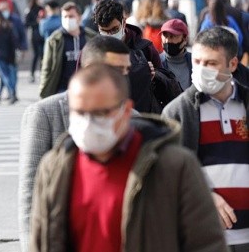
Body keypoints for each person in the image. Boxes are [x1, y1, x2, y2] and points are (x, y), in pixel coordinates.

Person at [30, 64, 227, 252]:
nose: (88, 122)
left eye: (101, 112)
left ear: (126, 111)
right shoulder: (54, 168)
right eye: (80, 112)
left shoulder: (175, 166)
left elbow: (206, 244)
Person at [17, 35, 132, 250]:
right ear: (89, 68)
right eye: (116, 70)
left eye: (126, 71)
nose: (123, 78)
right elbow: (30, 194)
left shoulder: (131, 117)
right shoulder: (44, 114)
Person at [163, 27, 249, 250]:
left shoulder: (245, 104)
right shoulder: (177, 113)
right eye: (198, 62)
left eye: (211, 64)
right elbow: (168, 177)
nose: (201, 70)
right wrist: (205, 195)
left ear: (232, 64)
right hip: (203, 241)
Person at [93, 0, 162, 113]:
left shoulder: (145, 49)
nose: (110, 35)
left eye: (114, 29)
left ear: (124, 22)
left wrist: (155, 75)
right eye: (104, 31)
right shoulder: (92, 52)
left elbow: (165, 84)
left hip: (142, 119)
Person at [39, 2, 97, 98]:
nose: (68, 20)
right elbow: (47, 67)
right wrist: (43, 91)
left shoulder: (91, 37)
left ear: (79, 17)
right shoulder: (54, 40)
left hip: (87, 88)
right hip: (63, 90)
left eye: (71, 16)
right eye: (65, 17)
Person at [159, 18, 192, 90]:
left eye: (173, 36)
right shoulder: (157, 62)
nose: (168, 40)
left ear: (185, 39)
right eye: (165, 36)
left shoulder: (195, 62)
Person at [25, 0, 44, 83]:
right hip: (35, 35)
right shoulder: (30, 10)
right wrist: (36, 22)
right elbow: (26, 23)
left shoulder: (42, 9)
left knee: (43, 55)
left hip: (43, 34)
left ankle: (42, 73)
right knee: (36, 54)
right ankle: (32, 74)